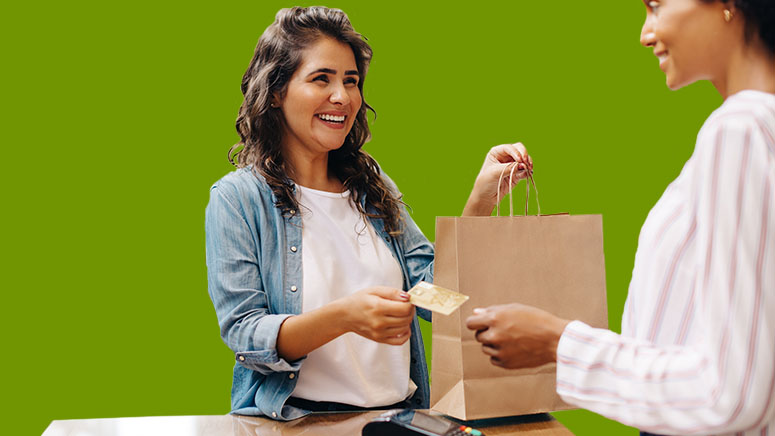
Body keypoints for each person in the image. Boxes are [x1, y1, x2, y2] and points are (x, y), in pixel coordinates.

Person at [205, 6, 532, 421]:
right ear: (275, 91)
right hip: (296, 423)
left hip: (396, 421)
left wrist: (481, 200)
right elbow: (245, 332)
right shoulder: (238, 198)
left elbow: (436, 298)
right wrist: (344, 316)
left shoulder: (370, 186)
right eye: (321, 78)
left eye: (351, 81)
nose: (342, 97)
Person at [466, 0, 775, 434]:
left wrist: (557, 341)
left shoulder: (739, 131)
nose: (646, 33)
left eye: (655, 6)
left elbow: (731, 395)